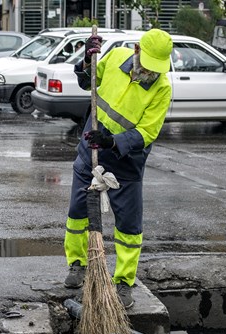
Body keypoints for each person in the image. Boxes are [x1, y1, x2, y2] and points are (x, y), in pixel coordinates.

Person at [63, 28, 173, 309]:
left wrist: (114, 141)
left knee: (129, 227)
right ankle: (78, 265)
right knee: (78, 214)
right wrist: (87, 59)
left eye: (156, 68)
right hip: (91, 151)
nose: (150, 72)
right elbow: (88, 83)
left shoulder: (162, 89)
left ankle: (124, 282)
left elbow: (147, 132)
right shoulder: (114, 57)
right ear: (136, 50)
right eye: (147, 64)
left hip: (126, 163)